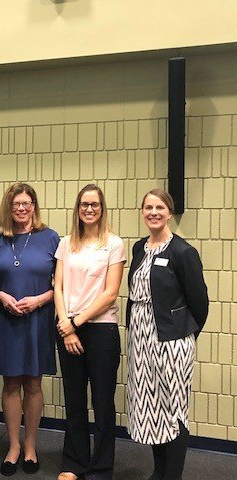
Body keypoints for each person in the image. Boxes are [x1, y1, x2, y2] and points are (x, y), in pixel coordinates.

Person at [126, 189, 208, 480]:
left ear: (169, 213)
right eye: (148, 207)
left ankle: (172, 475)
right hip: (141, 340)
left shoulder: (183, 252)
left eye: (160, 207)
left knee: (173, 412)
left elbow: (200, 304)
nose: (154, 212)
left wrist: (182, 337)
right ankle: (158, 471)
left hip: (172, 342)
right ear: (142, 211)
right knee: (151, 409)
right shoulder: (139, 248)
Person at [0, 182, 59, 476]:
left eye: (27, 203)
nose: (21, 209)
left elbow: (62, 285)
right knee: (11, 384)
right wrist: (0, 296)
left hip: (38, 321)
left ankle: (31, 445)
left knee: (33, 383)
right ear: (9, 207)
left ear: (34, 206)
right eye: (16, 204)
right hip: (7, 321)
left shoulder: (50, 237)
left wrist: (40, 299)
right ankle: (13, 446)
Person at [54, 184, 126, 480]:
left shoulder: (113, 244)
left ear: (102, 207)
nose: (89, 209)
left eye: (94, 204)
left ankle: (100, 469)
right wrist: (65, 325)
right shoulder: (65, 243)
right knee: (73, 399)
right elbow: (57, 286)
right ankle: (74, 463)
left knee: (102, 403)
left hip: (100, 330)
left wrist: (76, 322)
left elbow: (110, 294)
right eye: (84, 204)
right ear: (77, 208)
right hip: (67, 328)